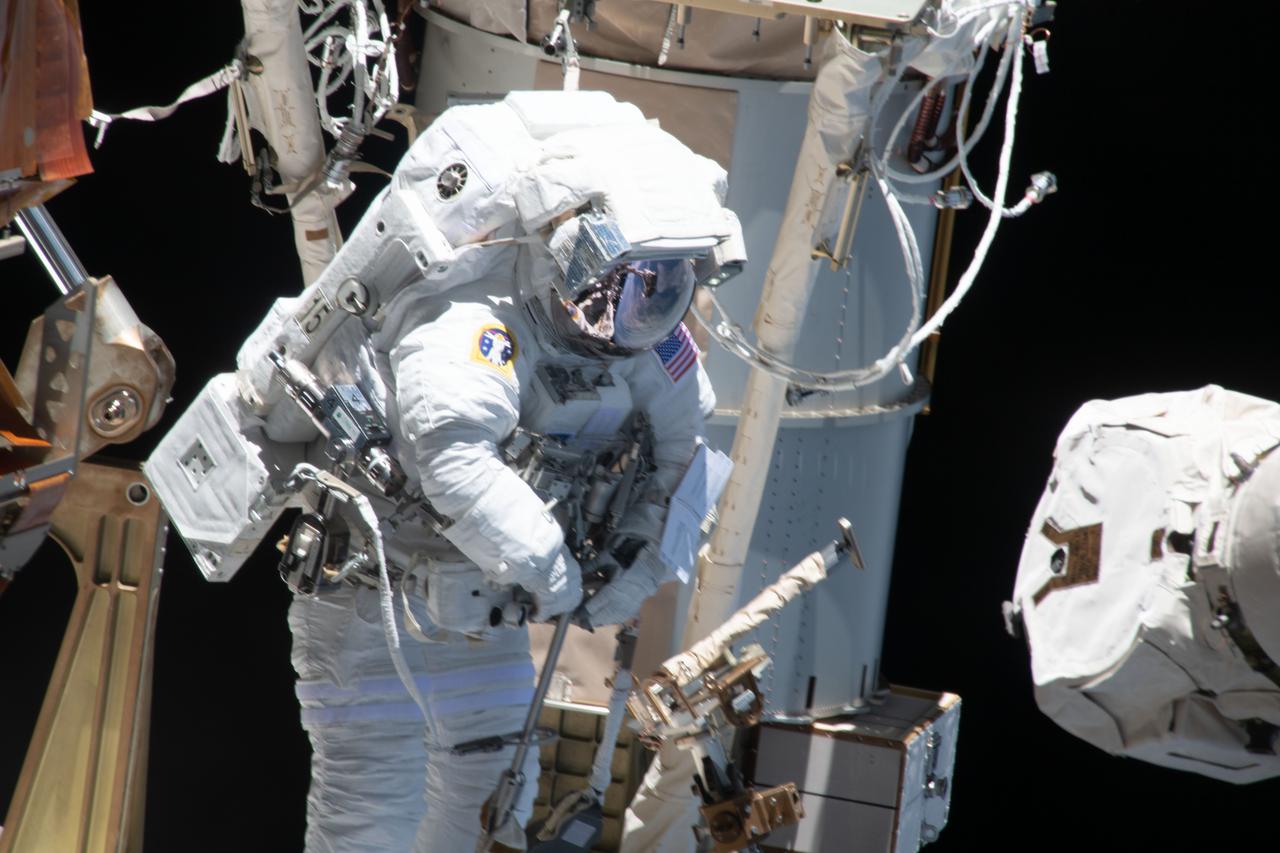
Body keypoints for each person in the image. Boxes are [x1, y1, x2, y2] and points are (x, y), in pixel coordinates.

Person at [283, 92, 744, 852]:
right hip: (374, 598)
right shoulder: (473, 315)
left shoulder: (643, 341)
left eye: (667, 287)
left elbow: (685, 453)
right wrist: (555, 574)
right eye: (633, 285)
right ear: (575, 257)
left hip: (481, 609)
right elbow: (451, 453)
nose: (646, 311)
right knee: (372, 812)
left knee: (494, 794)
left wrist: (632, 571)